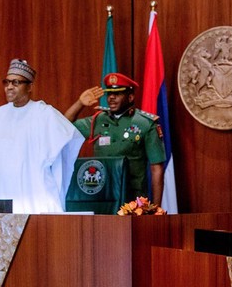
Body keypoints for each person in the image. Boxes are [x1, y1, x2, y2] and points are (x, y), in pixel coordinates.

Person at [0, 58, 84, 213]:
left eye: (16, 83)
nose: (9, 87)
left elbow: (70, 140)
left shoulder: (45, 114)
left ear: (30, 87)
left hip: (35, 195)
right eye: (6, 82)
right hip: (3, 195)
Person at [64, 73, 166, 206]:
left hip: (133, 199)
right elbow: (64, 126)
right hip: (102, 195)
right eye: (109, 93)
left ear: (130, 97)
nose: (111, 97)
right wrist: (80, 103)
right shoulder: (98, 119)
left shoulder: (145, 123)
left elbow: (156, 169)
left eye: (117, 94)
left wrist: (156, 208)